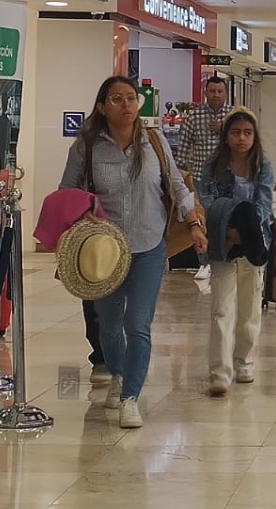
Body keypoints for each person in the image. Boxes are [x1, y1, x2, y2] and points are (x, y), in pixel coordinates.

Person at [60, 76, 207, 428]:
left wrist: (195, 225)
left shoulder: (153, 141)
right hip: (103, 251)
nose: (126, 105)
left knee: (137, 324)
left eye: (131, 98)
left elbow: (176, 184)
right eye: (117, 99)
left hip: (149, 246)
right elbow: (68, 191)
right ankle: (119, 375)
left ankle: (130, 397)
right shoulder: (88, 146)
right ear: (102, 107)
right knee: (108, 325)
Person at [198, 108, 274, 396]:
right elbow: (206, 199)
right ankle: (219, 371)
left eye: (247, 133)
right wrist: (227, 229)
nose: (241, 138)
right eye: (235, 132)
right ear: (226, 136)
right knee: (221, 308)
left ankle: (244, 360)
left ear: (254, 137)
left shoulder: (263, 166)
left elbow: (264, 204)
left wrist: (246, 232)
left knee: (250, 306)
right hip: (222, 243)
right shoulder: (213, 166)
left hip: (254, 241)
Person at [174, 76, 230, 283]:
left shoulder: (234, 116)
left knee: (225, 221)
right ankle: (205, 263)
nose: (216, 95)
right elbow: (183, 147)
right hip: (199, 180)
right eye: (212, 91)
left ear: (225, 93)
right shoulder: (194, 116)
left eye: (220, 91)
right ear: (205, 92)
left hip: (227, 179)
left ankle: (225, 261)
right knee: (204, 223)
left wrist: (225, 128)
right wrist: (179, 174)